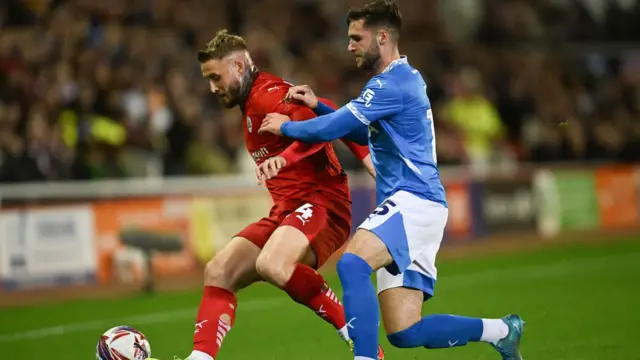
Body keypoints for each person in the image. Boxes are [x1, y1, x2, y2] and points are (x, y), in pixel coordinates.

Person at [258, 1, 525, 360]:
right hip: (422, 205)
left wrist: (285, 126)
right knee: (405, 332)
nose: (349, 46)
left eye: (356, 38)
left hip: (413, 201)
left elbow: (334, 129)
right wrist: (319, 105)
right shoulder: (401, 79)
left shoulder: (390, 84)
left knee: (351, 263)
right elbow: (356, 128)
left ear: (382, 37)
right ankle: (502, 331)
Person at [176, 29, 383, 360]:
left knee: (273, 263)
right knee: (218, 271)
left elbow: (324, 127)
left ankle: (364, 346)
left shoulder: (271, 95)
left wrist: (362, 158)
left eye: (216, 77)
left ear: (240, 67)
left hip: (323, 204)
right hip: (288, 211)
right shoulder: (250, 104)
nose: (212, 88)